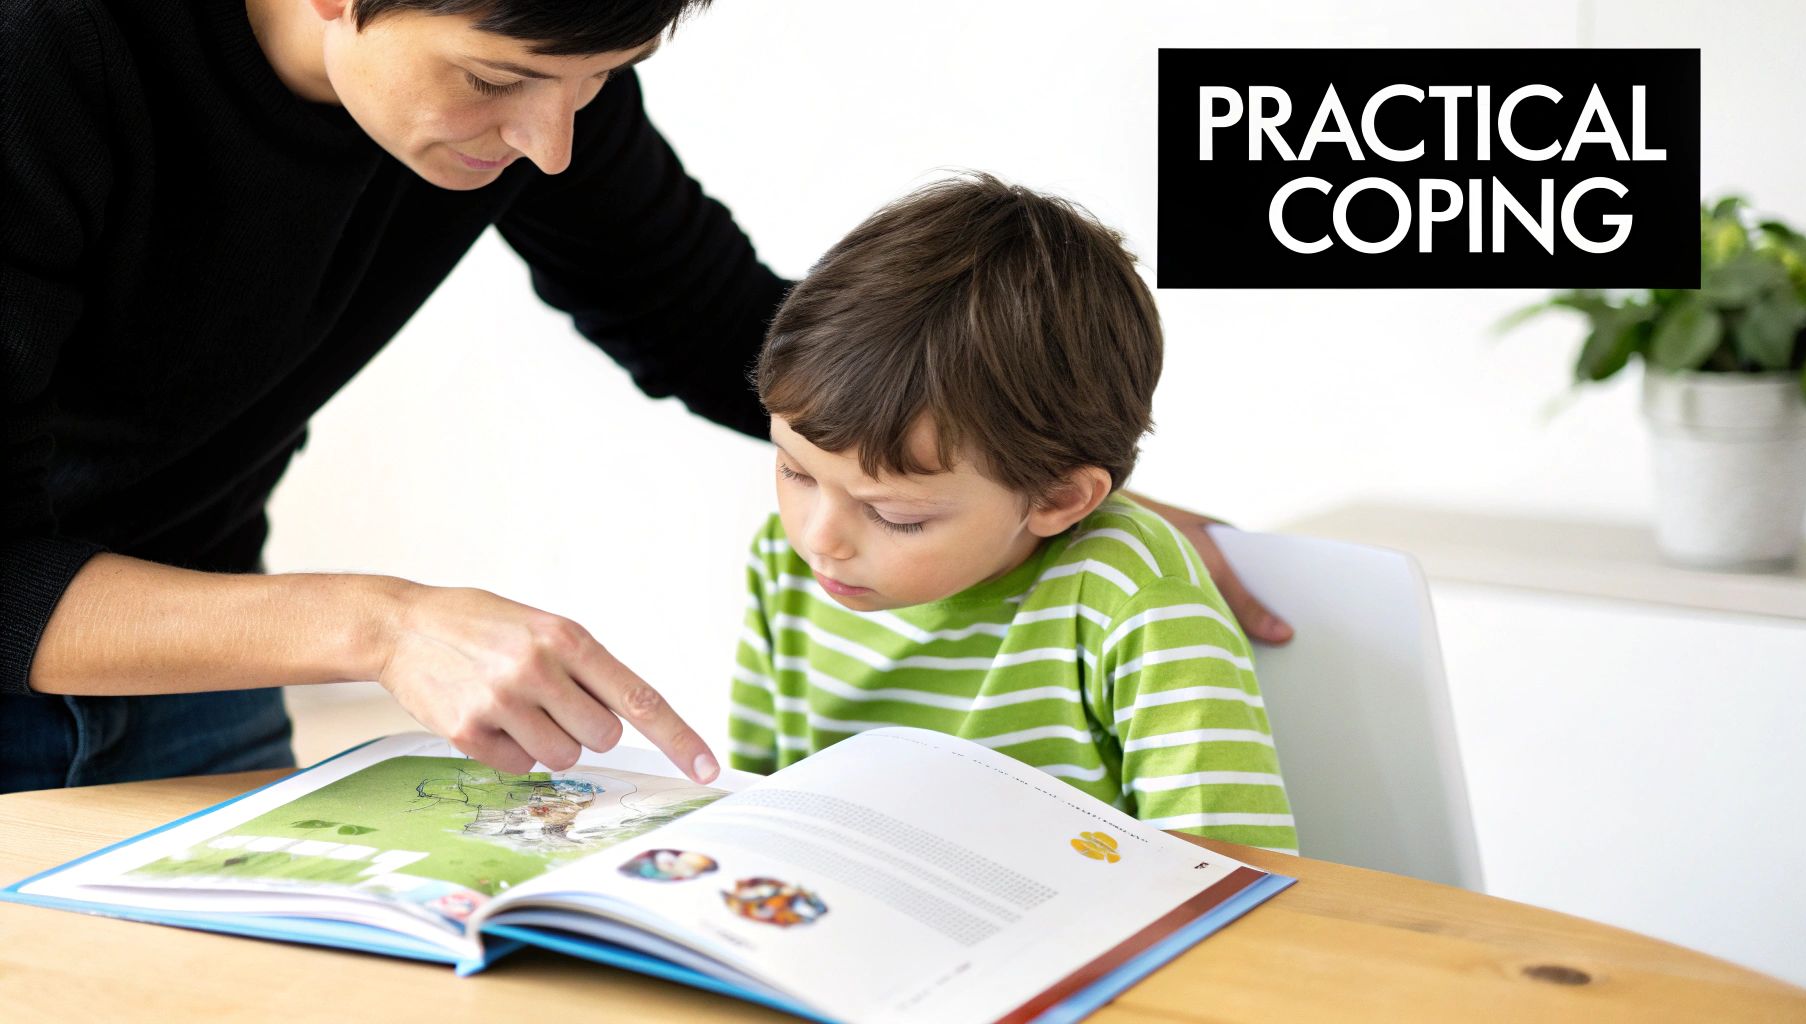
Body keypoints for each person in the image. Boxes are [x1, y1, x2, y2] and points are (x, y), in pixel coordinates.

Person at [0, 0, 1287, 795]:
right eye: (501, 81)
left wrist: (1028, 483)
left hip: (197, 665)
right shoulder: (42, 59)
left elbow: (705, 318)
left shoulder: (539, 81)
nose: (553, 145)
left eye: (601, 79)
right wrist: (384, 625)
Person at [728, 176, 1297, 850]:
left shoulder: (1130, 597)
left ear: (1056, 499)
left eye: (898, 517)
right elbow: (753, 809)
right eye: (795, 472)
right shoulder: (785, 564)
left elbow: (1227, 877)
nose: (819, 539)